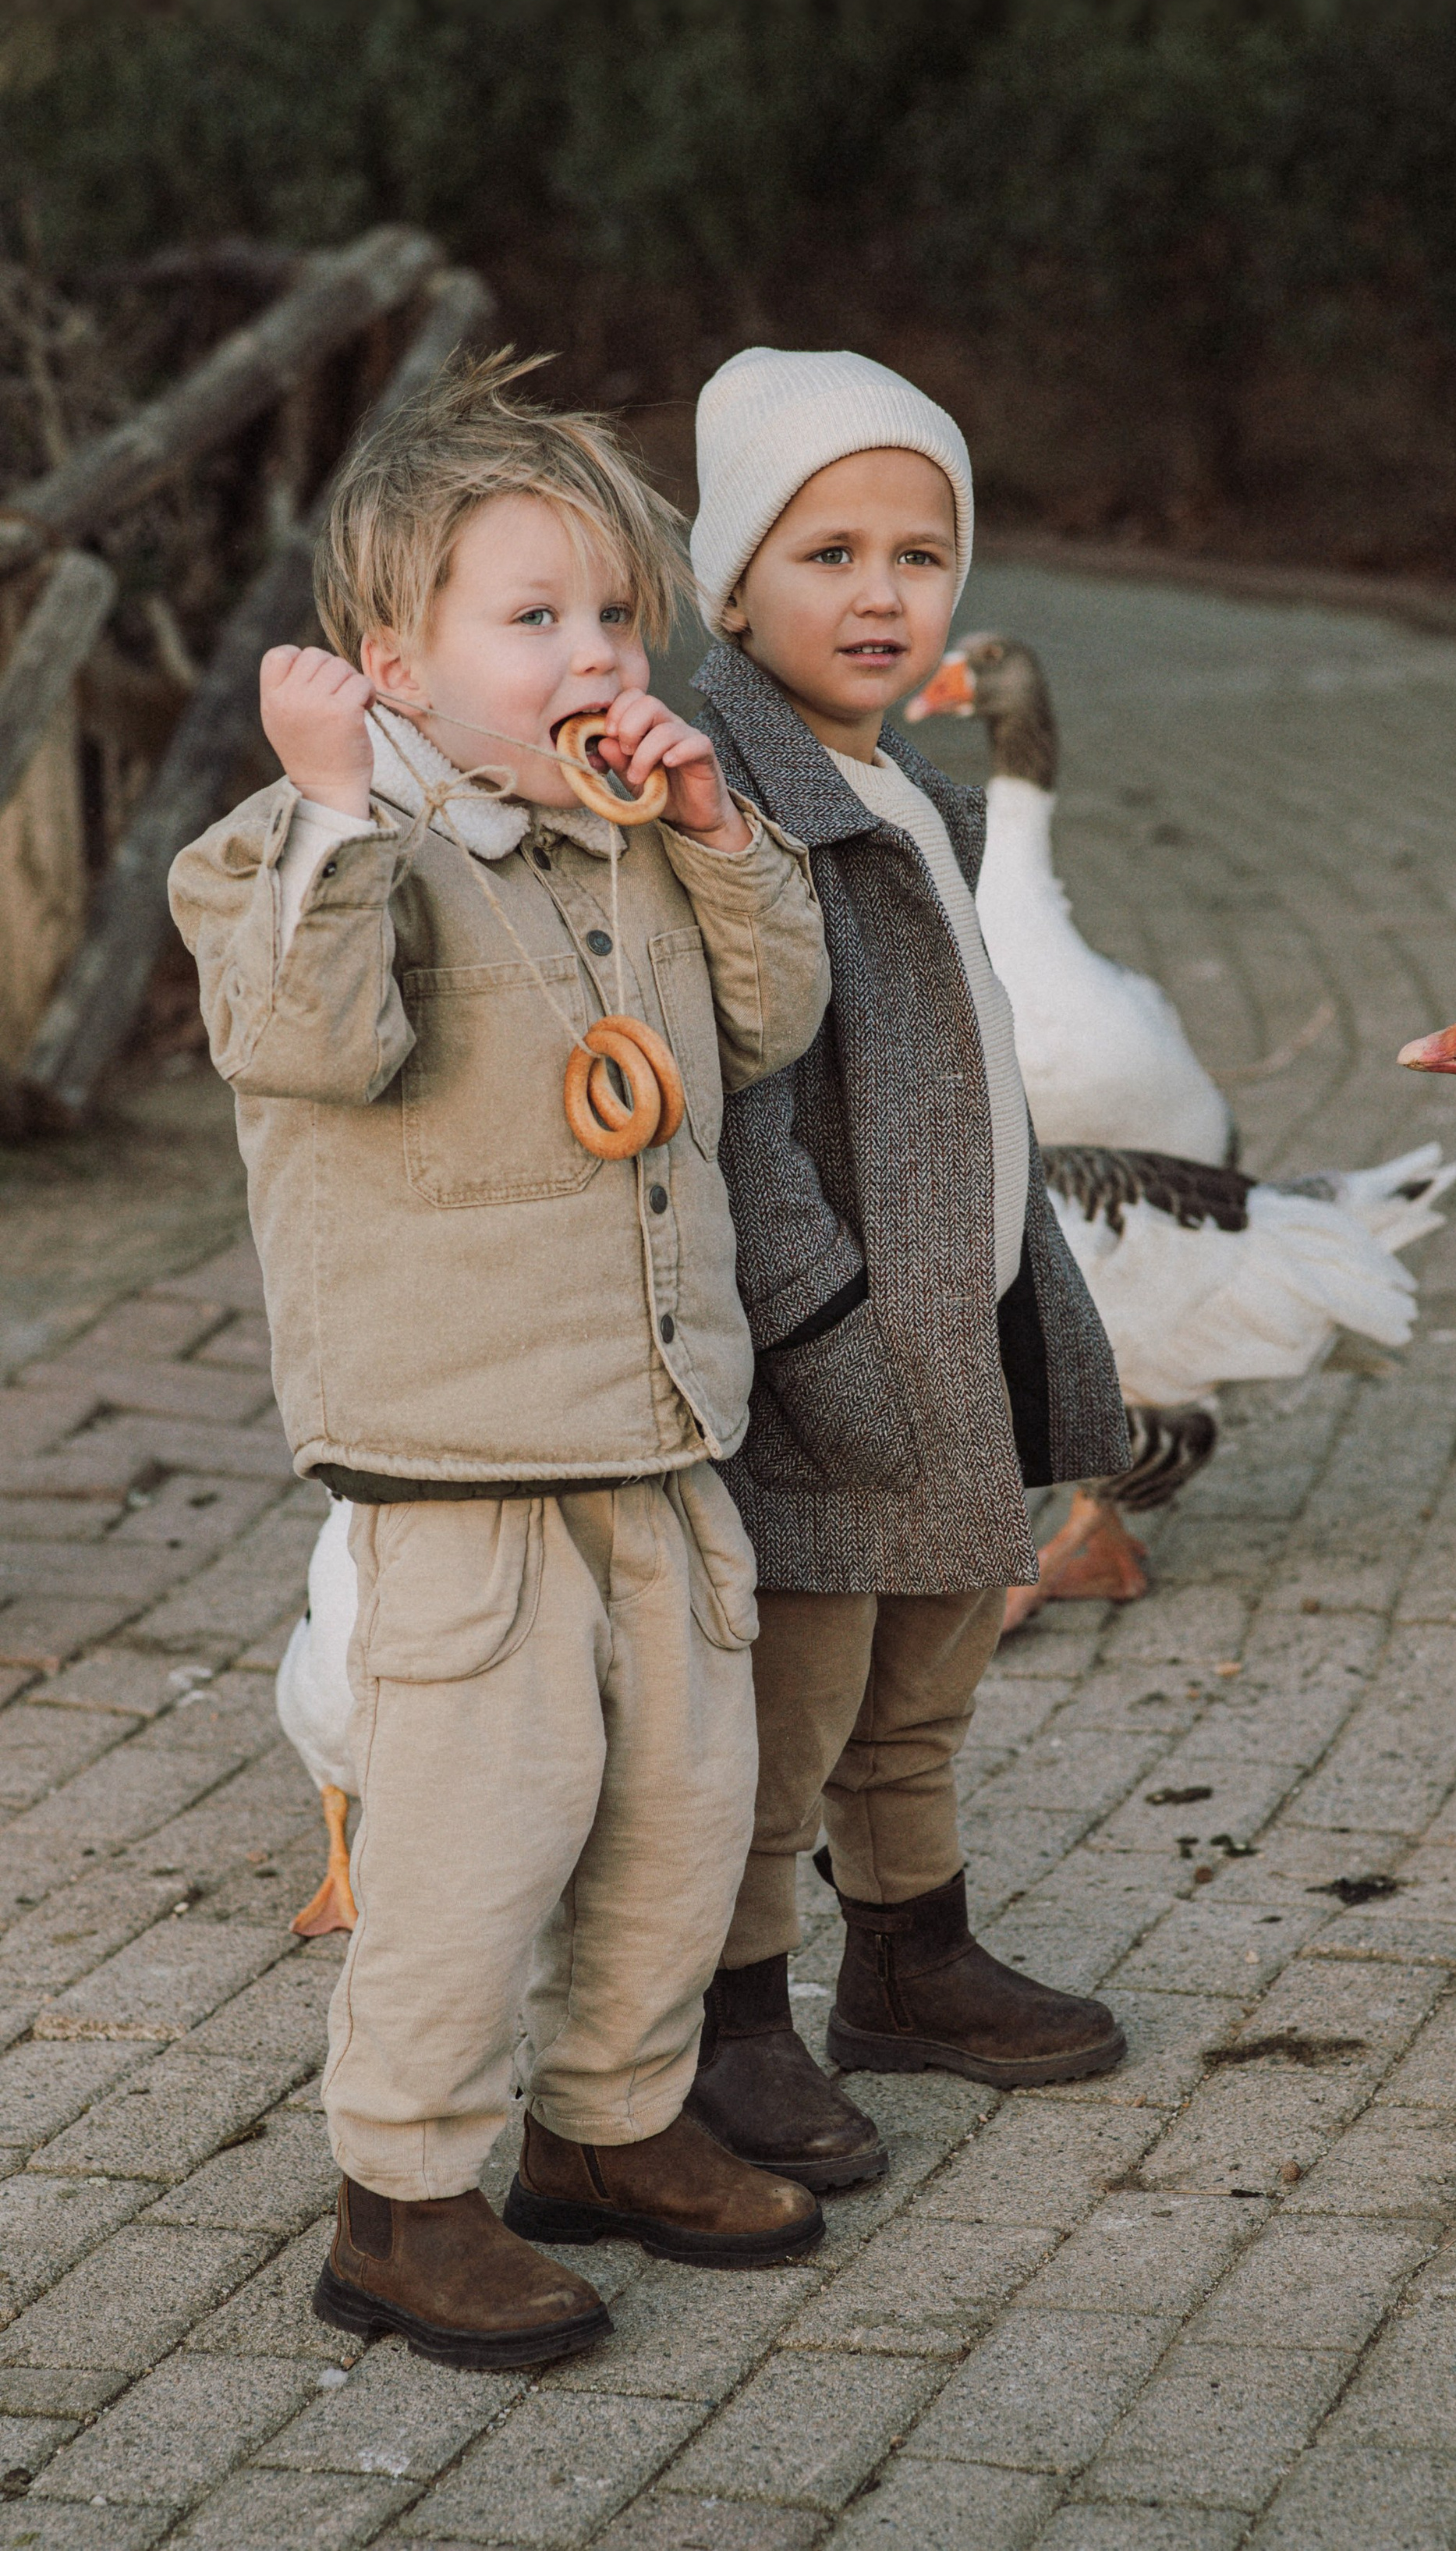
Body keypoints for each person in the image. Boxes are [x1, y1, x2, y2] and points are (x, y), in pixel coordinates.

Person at [168, 356, 834, 2371]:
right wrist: (343, 804)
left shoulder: (630, 836)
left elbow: (777, 1010)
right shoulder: (285, 852)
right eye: (530, 617)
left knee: (681, 1801)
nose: (591, 651)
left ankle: (611, 2124)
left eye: (616, 614)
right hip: (461, 1441)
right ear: (392, 659)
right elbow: (310, 1043)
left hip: (651, 1415)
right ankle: (403, 2193)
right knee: (481, 1831)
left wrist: (716, 823)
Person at [684, 345, 1132, 2193]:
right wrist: (829, 1325)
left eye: (919, 555)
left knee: (928, 1661)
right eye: (828, 552)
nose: (880, 594)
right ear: (731, 581)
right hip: (837, 1349)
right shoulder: (731, 798)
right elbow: (741, 1115)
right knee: (787, 1709)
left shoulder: (903, 789)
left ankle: (910, 1949)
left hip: (959, 1318)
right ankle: (725, 2017)